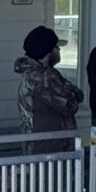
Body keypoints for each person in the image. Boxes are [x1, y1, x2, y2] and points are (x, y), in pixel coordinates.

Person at [14, 25, 83, 154]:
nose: (59, 51)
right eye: (57, 47)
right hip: (49, 149)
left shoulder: (31, 74)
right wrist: (71, 92)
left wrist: (71, 92)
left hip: (40, 145)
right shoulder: (43, 78)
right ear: (48, 51)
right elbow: (69, 106)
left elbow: (77, 95)